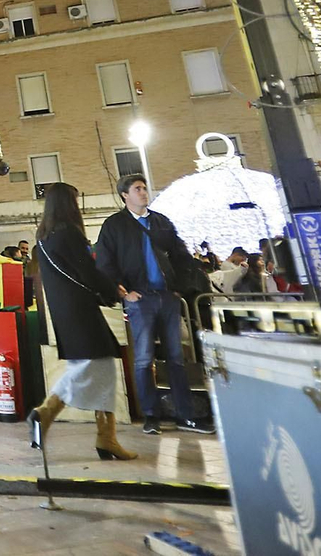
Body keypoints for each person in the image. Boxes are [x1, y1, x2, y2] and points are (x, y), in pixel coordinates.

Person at [94, 174, 215, 435]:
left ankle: (186, 416)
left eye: (144, 187)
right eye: (137, 189)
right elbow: (104, 261)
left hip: (167, 298)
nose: (143, 192)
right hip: (140, 300)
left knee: (176, 358)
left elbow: (181, 256)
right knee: (143, 359)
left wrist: (177, 289)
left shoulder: (161, 222)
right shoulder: (114, 226)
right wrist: (123, 292)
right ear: (125, 195)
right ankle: (151, 416)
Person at [27, 182, 135, 461]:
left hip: (65, 314)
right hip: (81, 312)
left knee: (97, 368)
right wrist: (114, 291)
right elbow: (88, 271)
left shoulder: (44, 237)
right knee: (96, 365)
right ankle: (46, 412)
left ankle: (106, 437)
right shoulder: (69, 234)